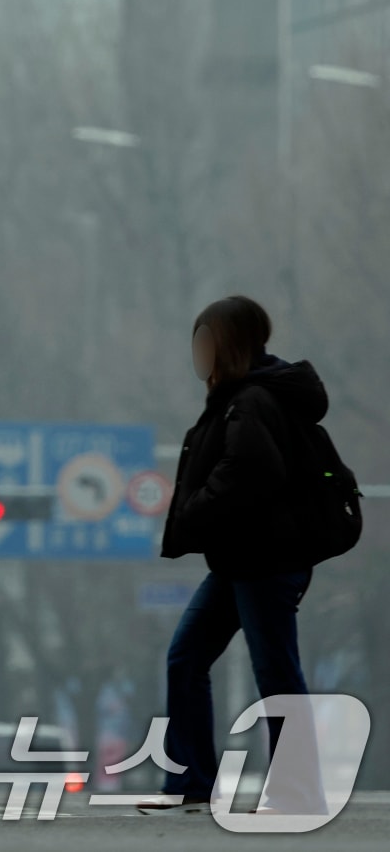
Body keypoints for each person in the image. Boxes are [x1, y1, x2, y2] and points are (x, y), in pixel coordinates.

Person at [139, 296, 327, 816]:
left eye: (205, 343)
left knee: (275, 672)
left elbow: (251, 471)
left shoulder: (251, 400)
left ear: (230, 345)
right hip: (242, 560)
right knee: (187, 657)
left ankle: (296, 792)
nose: (198, 354)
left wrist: (195, 510)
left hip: (266, 560)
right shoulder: (241, 397)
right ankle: (191, 782)